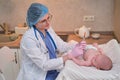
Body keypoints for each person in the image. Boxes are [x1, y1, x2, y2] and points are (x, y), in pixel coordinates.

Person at [16, 3, 78, 80]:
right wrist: (68, 56)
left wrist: (76, 45)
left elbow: (61, 46)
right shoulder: (28, 39)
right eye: (43, 21)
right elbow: (44, 64)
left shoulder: (47, 29)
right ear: (34, 22)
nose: (48, 23)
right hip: (38, 75)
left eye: (48, 18)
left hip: (53, 70)